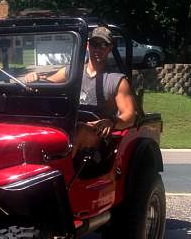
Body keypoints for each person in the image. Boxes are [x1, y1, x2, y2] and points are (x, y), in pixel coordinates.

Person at [25, 26, 136, 157]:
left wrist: (111, 122)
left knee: (80, 129)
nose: (98, 49)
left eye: (103, 45)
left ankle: (63, 171)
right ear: (88, 45)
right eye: (95, 44)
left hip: (98, 135)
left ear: (110, 48)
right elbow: (47, 83)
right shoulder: (71, 72)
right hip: (68, 125)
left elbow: (130, 116)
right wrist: (35, 79)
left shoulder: (116, 80)